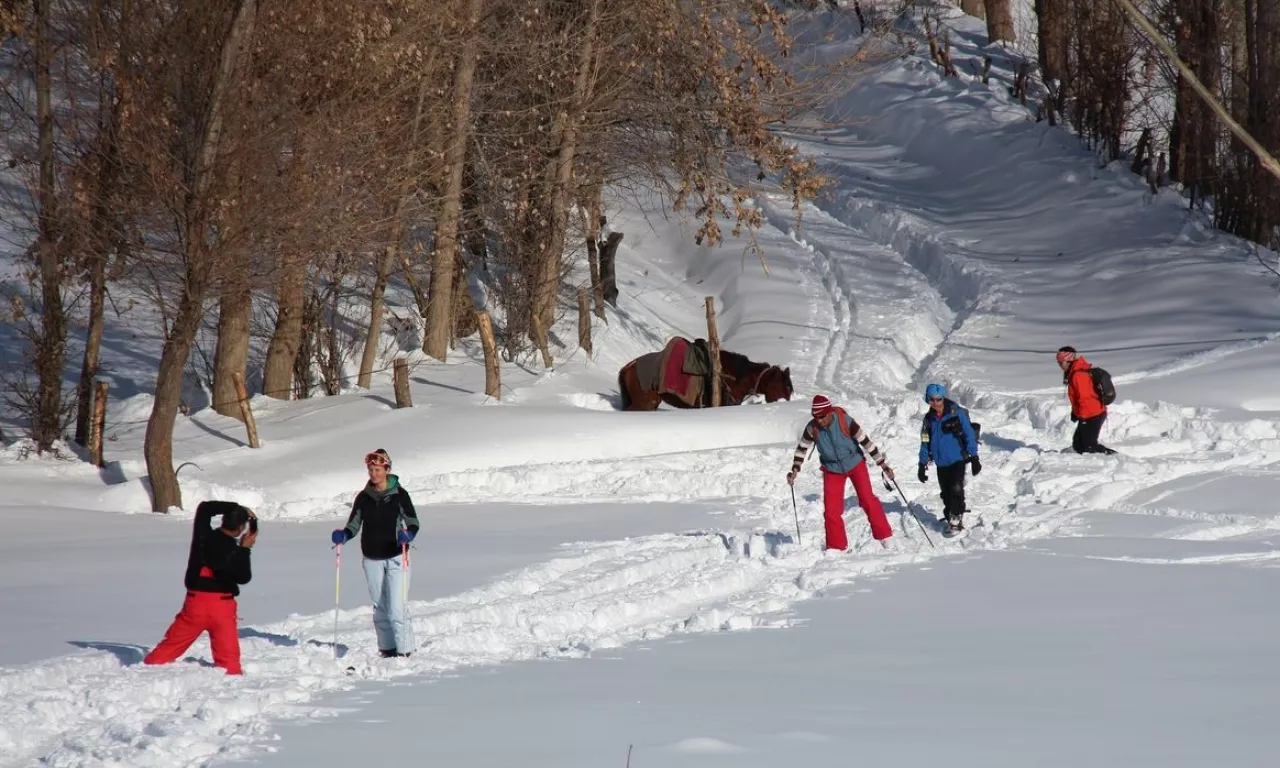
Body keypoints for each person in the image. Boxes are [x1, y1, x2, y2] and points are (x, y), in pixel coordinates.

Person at [144, 500, 257, 675]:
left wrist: (235, 507)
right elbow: (243, 578)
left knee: (166, 650)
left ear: (223, 520)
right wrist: (245, 550)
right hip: (222, 606)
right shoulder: (234, 550)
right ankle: (232, 685)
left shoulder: (203, 537)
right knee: (229, 662)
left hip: (195, 604)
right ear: (242, 527)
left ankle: (145, 671)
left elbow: (205, 508)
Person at [331, 448, 420, 658]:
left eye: (378, 469)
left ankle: (406, 650)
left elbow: (413, 521)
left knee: (397, 609)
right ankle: (387, 649)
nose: (374, 473)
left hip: (397, 556)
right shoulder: (364, 497)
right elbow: (354, 524)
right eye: (371, 469)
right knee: (380, 608)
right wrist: (344, 535)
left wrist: (409, 534)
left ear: (387, 469)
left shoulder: (399, 495)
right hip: (372, 557)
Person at [786, 394, 896, 551]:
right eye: (816, 417)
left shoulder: (845, 421)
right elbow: (802, 448)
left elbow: (866, 443)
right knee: (831, 511)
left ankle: (884, 536)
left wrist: (883, 465)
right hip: (832, 469)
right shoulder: (812, 428)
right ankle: (836, 547)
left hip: (855, 463)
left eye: (822, 416)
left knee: (867, 499)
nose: (819, 420)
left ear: (829, 412)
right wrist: (795, 469)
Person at [917, 383, 980, 535]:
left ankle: (956, 518)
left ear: (943, 398)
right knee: (945, 493)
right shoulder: (928, 420)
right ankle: (950, 514)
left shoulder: (956, 412)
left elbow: (969, 434)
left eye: (938, 399)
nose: (935, 403)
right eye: (931, 399)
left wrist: (974, 457)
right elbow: (925, 442)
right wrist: (921, 463)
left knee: (956, 487)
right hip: (941, 462)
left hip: (957, 458)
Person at [1057, 346, 1116, 455]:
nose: (1060, 365)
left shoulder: (1078, 375)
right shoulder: (1074, 372)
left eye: (1061, 362)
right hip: (1089, 413)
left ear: (1069, 360)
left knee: (1089, 447)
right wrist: (1075, 412)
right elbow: (1077, 397)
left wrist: (1083, 417)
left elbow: (1085, 398)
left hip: (1092, 414)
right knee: (1078, 445)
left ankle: (1113, 457)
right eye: (1058, 363)